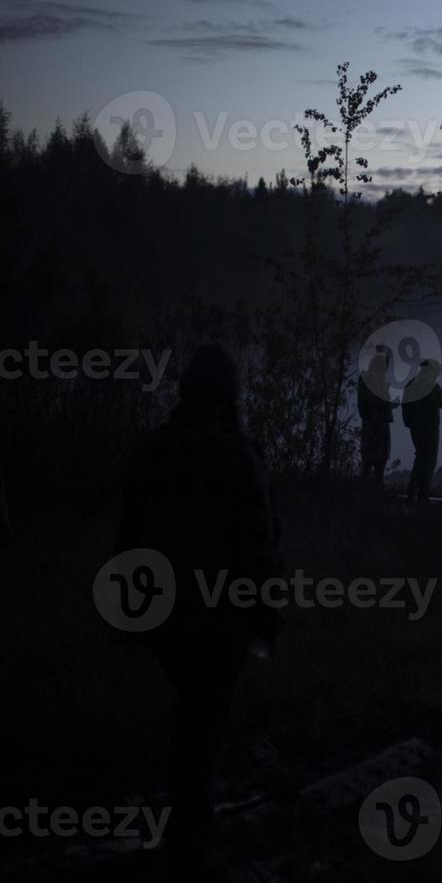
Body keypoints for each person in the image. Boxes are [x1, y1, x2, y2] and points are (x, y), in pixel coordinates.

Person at [114, 343, 281, 881]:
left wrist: (127, 608)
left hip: (164, 613)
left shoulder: (153, 449)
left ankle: (184, 840)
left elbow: (129, 535)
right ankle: (190, 855)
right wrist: (269, 613)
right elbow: (261, 543)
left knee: (193, 718)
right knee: (202, 729)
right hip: (221, 617)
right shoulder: (240, 453)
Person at [401, 359, 442, 503]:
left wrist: (410, 423)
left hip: (415, 428)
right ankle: (423, 493)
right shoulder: (431, 385)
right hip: (430, 429)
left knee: (420, 458)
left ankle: (412, 491)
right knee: (429, 460)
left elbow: (405, 406)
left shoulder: (411, 383)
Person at [358, 347, 396, 488]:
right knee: (371, 453)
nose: (386, 368)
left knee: (381, 454)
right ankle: (369, 483)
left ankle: (377, 481)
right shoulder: (368, 378)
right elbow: (369, 401)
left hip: (379, 420)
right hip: (373, 421)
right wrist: (385, 403)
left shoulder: (375, 378)